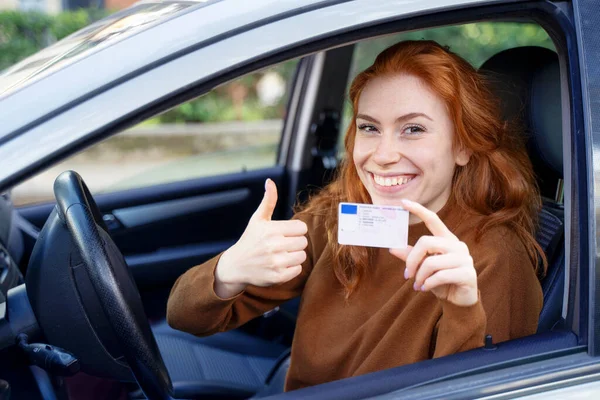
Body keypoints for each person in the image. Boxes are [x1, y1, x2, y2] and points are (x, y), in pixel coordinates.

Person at [166, 40, 545, 391]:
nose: (382, 154)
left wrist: (462, 311)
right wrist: (229, 270)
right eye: (369, 128)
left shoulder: (492, 257)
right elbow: (185, 317)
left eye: (413, 129)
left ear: (462, 146)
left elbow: (476, 391)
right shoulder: (340, 215)